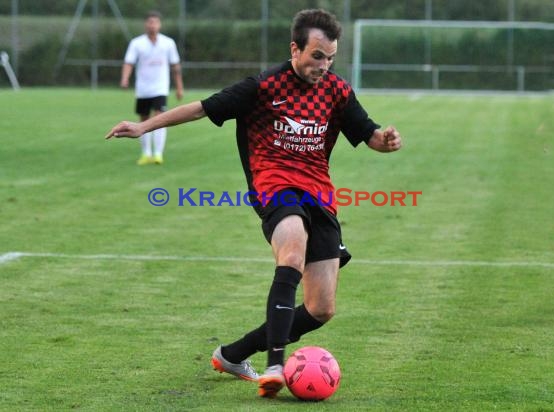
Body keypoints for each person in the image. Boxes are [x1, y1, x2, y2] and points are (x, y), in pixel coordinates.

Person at [106, 8, 402, 398]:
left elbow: (369, 135)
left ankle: (233, 355)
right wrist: (143, 125)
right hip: (274, 188)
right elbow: (201, 107)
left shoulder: (337, 91)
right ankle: (275, 365)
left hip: (320, 196)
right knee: (291, 250)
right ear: (295, 49)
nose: (324, 65)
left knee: (320, 309)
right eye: (317, 56)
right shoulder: (263, 88)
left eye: (330, 57)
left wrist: (386, 140)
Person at [120, 10, 184, 165]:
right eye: (150, 22)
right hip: (143, 89)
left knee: (160, 117)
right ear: (145, 24)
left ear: (159, 24)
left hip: (160, 88)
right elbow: (129, 62)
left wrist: (179, 86)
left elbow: (175, 66)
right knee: (143, 120)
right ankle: (146, 153)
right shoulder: (137, 43)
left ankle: (158, 154)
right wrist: (125, 78)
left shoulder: (168, 43)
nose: (152, 25)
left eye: (155, 22)